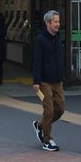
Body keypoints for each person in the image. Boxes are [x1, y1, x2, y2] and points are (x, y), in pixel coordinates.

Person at [32, 10, 65, 152]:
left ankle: (40, 125)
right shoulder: (40, 40)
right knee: (49, 110)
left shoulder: (58, 38)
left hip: (57, 81)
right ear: (48, 23)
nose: (58, 24)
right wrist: (36, 82)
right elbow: (37, 61)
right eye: (55, 22)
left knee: (60, 109)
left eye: (58, 21)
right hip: (44, 81)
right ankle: (47, 140)